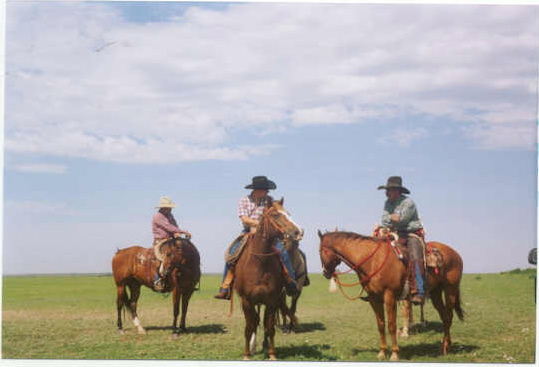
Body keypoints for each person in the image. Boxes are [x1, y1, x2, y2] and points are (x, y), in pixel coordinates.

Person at [214, 176, 299, 300]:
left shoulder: (270, 201)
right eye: (265, 189)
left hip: (268, 234)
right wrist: (258, 225)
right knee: (231, 255)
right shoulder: (244, 200)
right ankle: (225, 288)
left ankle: (291, 283)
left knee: (284, 253)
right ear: (257, 190)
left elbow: (280, 214)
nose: (267, 192)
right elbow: (244, 218)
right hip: (248, 232)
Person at [377, 176, 425, 305]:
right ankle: (378, 286)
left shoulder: (408, 203)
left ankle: (418, 290)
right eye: (386, 190)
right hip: (396, 232)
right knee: (379, 249)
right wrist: (393, 218)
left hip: (411, 233)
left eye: (390, 190)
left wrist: (391, 218)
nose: (387, 193)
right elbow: (384, 220)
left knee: (415, 255)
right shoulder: (387, 203)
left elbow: (402, 220)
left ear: (398, 191)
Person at [152, 196, 191, 291]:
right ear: (163, 208)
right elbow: (168, 227)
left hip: (170, 239)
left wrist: (177, 233)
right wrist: (182, 231)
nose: (170, 209)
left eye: (170, 207)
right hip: (161, 240)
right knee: (163, 257)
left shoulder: (170, 215)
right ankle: (158, 279)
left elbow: (174, 226)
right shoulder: (157, 216)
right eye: (168, 207)